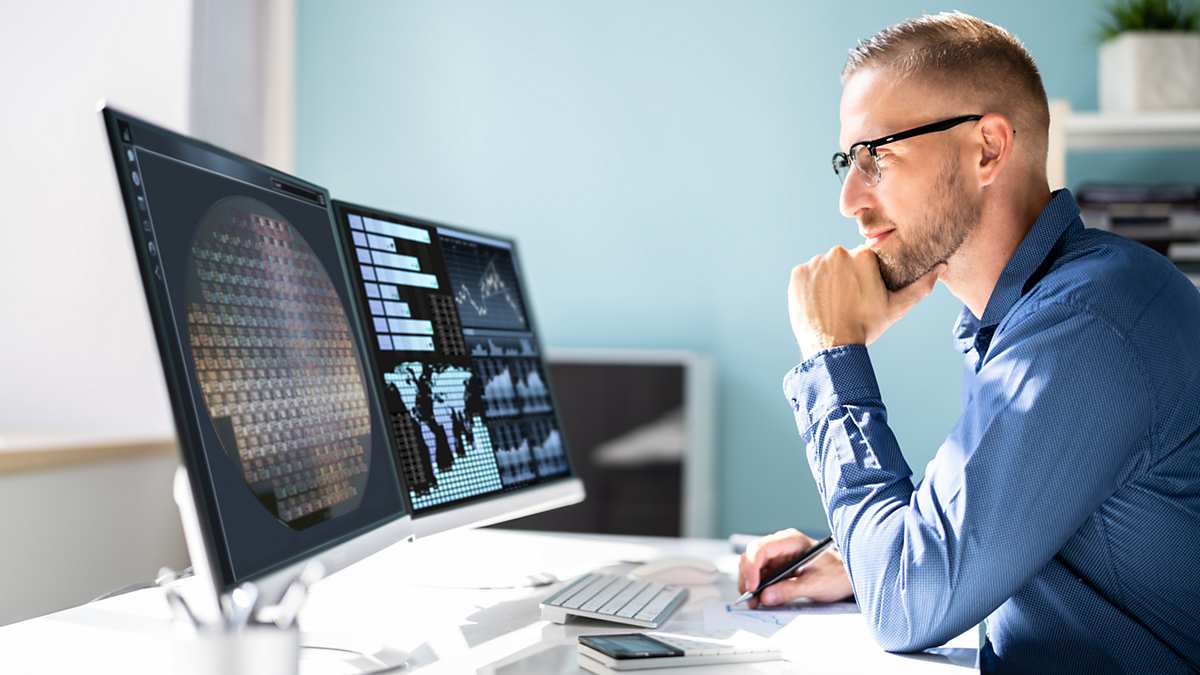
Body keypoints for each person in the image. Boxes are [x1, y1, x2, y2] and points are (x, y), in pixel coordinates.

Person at [737, 11, 1200, 673]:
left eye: (877, 155)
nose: (848, 198)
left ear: (987, 148)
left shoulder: (1088, 320)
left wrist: (831, 356)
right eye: (847, 160)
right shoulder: (1031, 315)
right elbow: (967, 547)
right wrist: (862, 560)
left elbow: (909, 604)